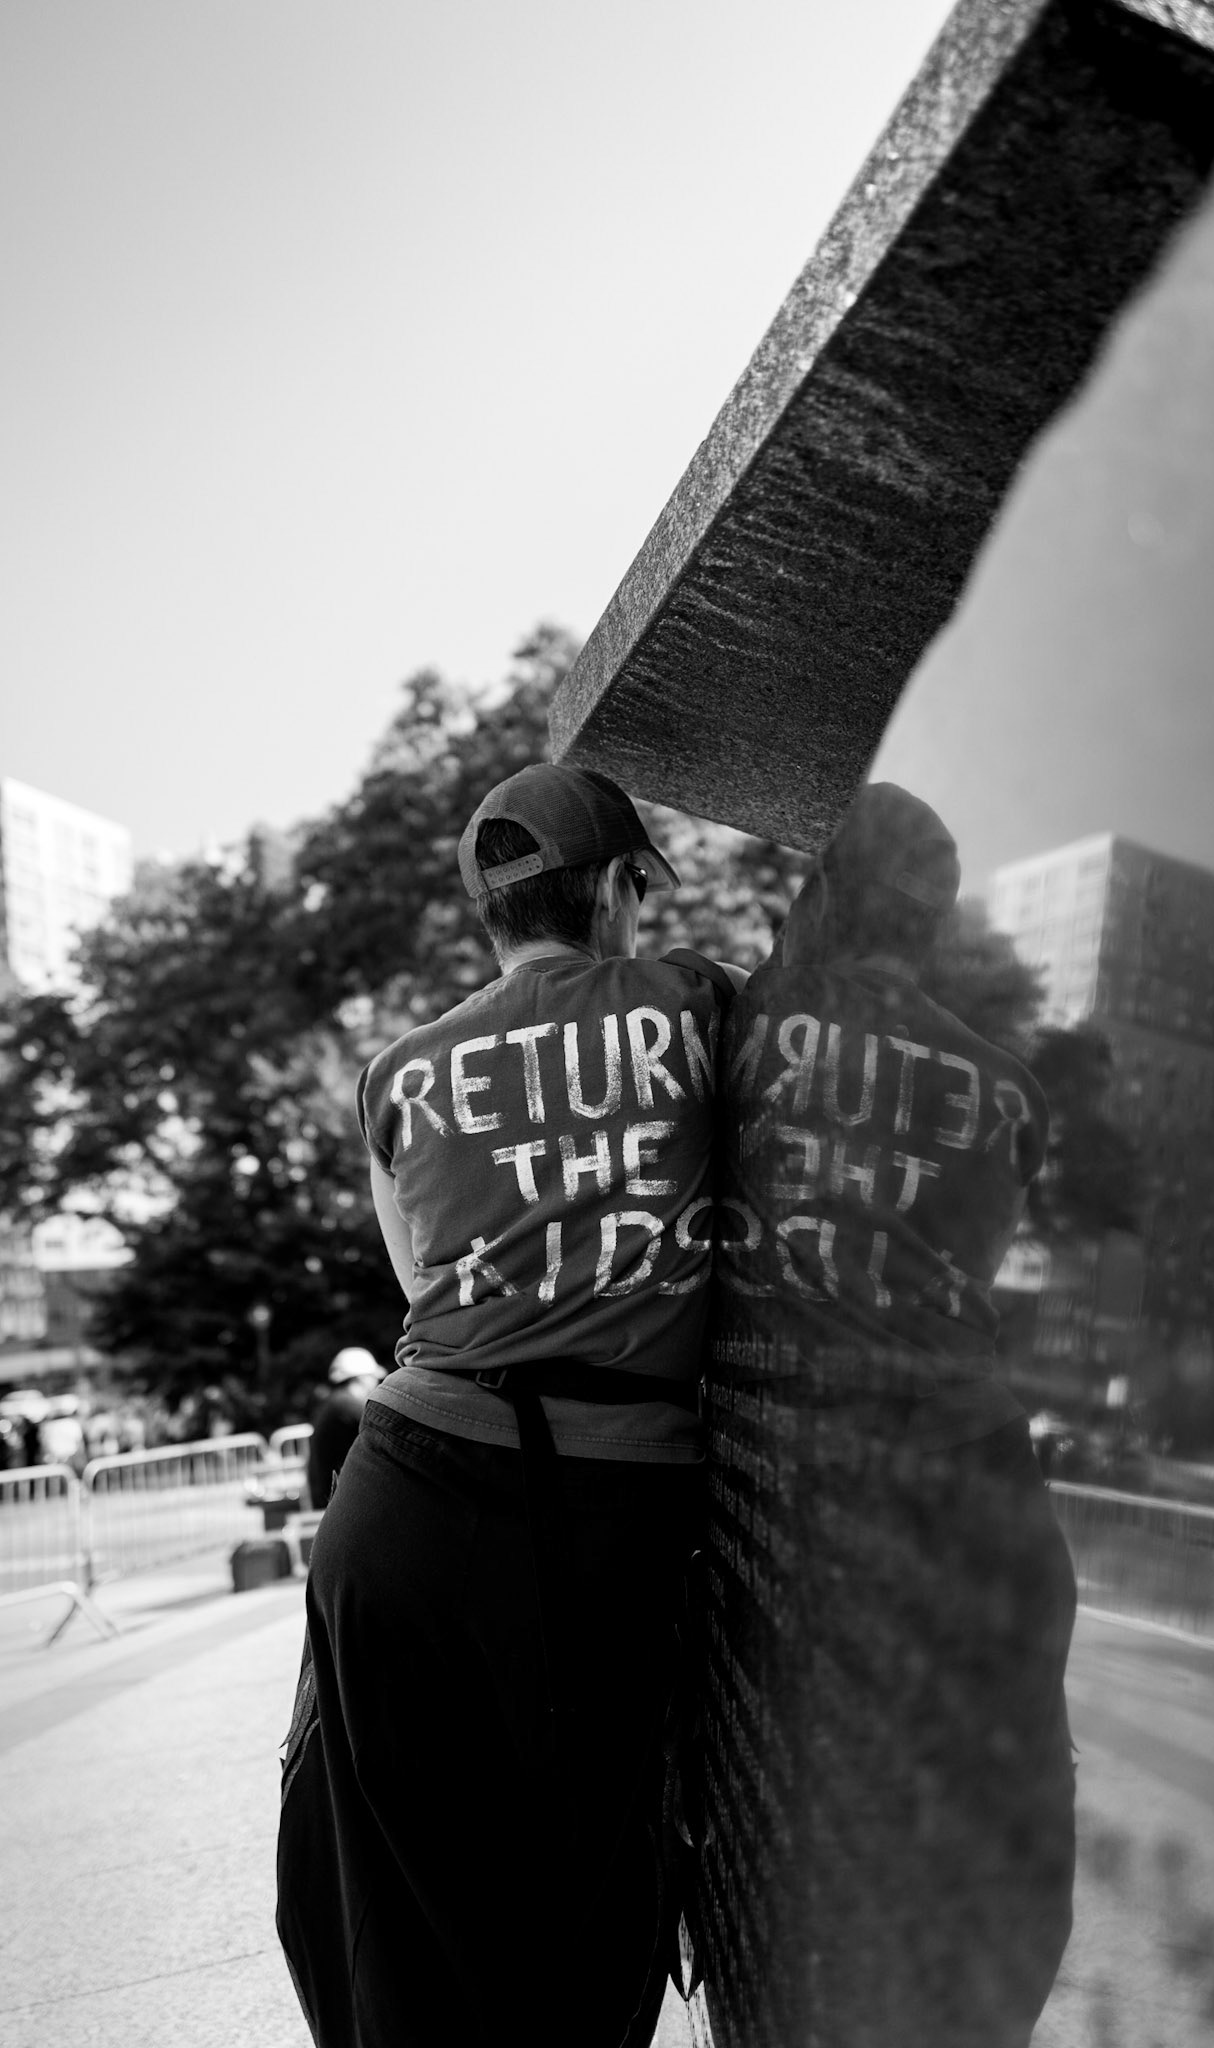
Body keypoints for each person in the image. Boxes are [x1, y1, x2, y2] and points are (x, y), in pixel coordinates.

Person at [277, 762, 742, 2048]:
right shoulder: (698, 1002)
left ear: (492, 908)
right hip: (596, 1517)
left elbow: (420, 1283)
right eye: (637, 889)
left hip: (401, 1495)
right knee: (587, 1924)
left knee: (402, 1924)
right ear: (609, 887)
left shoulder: (400, 1073)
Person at [702, 784, 1076, 2048]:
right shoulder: (1010, 1090)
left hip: (813, 1486)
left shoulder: (732, 1022)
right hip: (976, 1480)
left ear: (822, 890)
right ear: (936, 922)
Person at [304, 1346, 383, 1509]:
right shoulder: (347, 1406)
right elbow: (386, 1434)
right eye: (373, 1377)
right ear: (361, 1378)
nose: (376, 1383)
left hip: (332, 1503)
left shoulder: (337, 1404)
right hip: (340, 1506)